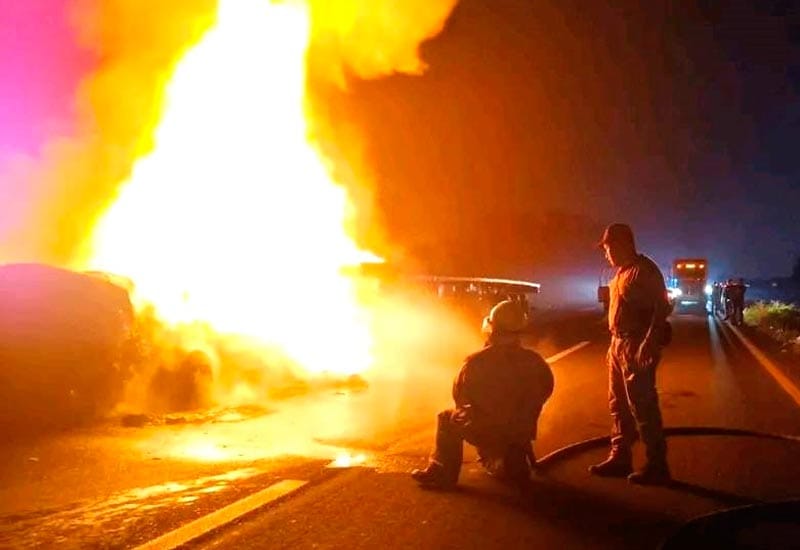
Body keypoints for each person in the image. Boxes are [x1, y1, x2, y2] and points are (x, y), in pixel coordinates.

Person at [411, 300, 554, 490]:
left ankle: (442, 472)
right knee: (507, 445)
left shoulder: (475, 363)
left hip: (488, 431)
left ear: (492, 329)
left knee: (446, 418)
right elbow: (545, 390)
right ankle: (509, 458)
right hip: (521, 431)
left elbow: (460, 398)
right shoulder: (535, 361)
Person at [589, 223, 672, 485]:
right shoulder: (620, 274)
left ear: (621, 245)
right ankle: (620, 457)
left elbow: (661, 309)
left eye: (607, 248)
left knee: (642, 405)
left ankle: (657, 466)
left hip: (635, 345)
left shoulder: (643, 271)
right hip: (618, 345)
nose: (605, 254)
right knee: (618, 405)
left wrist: (649, 342)